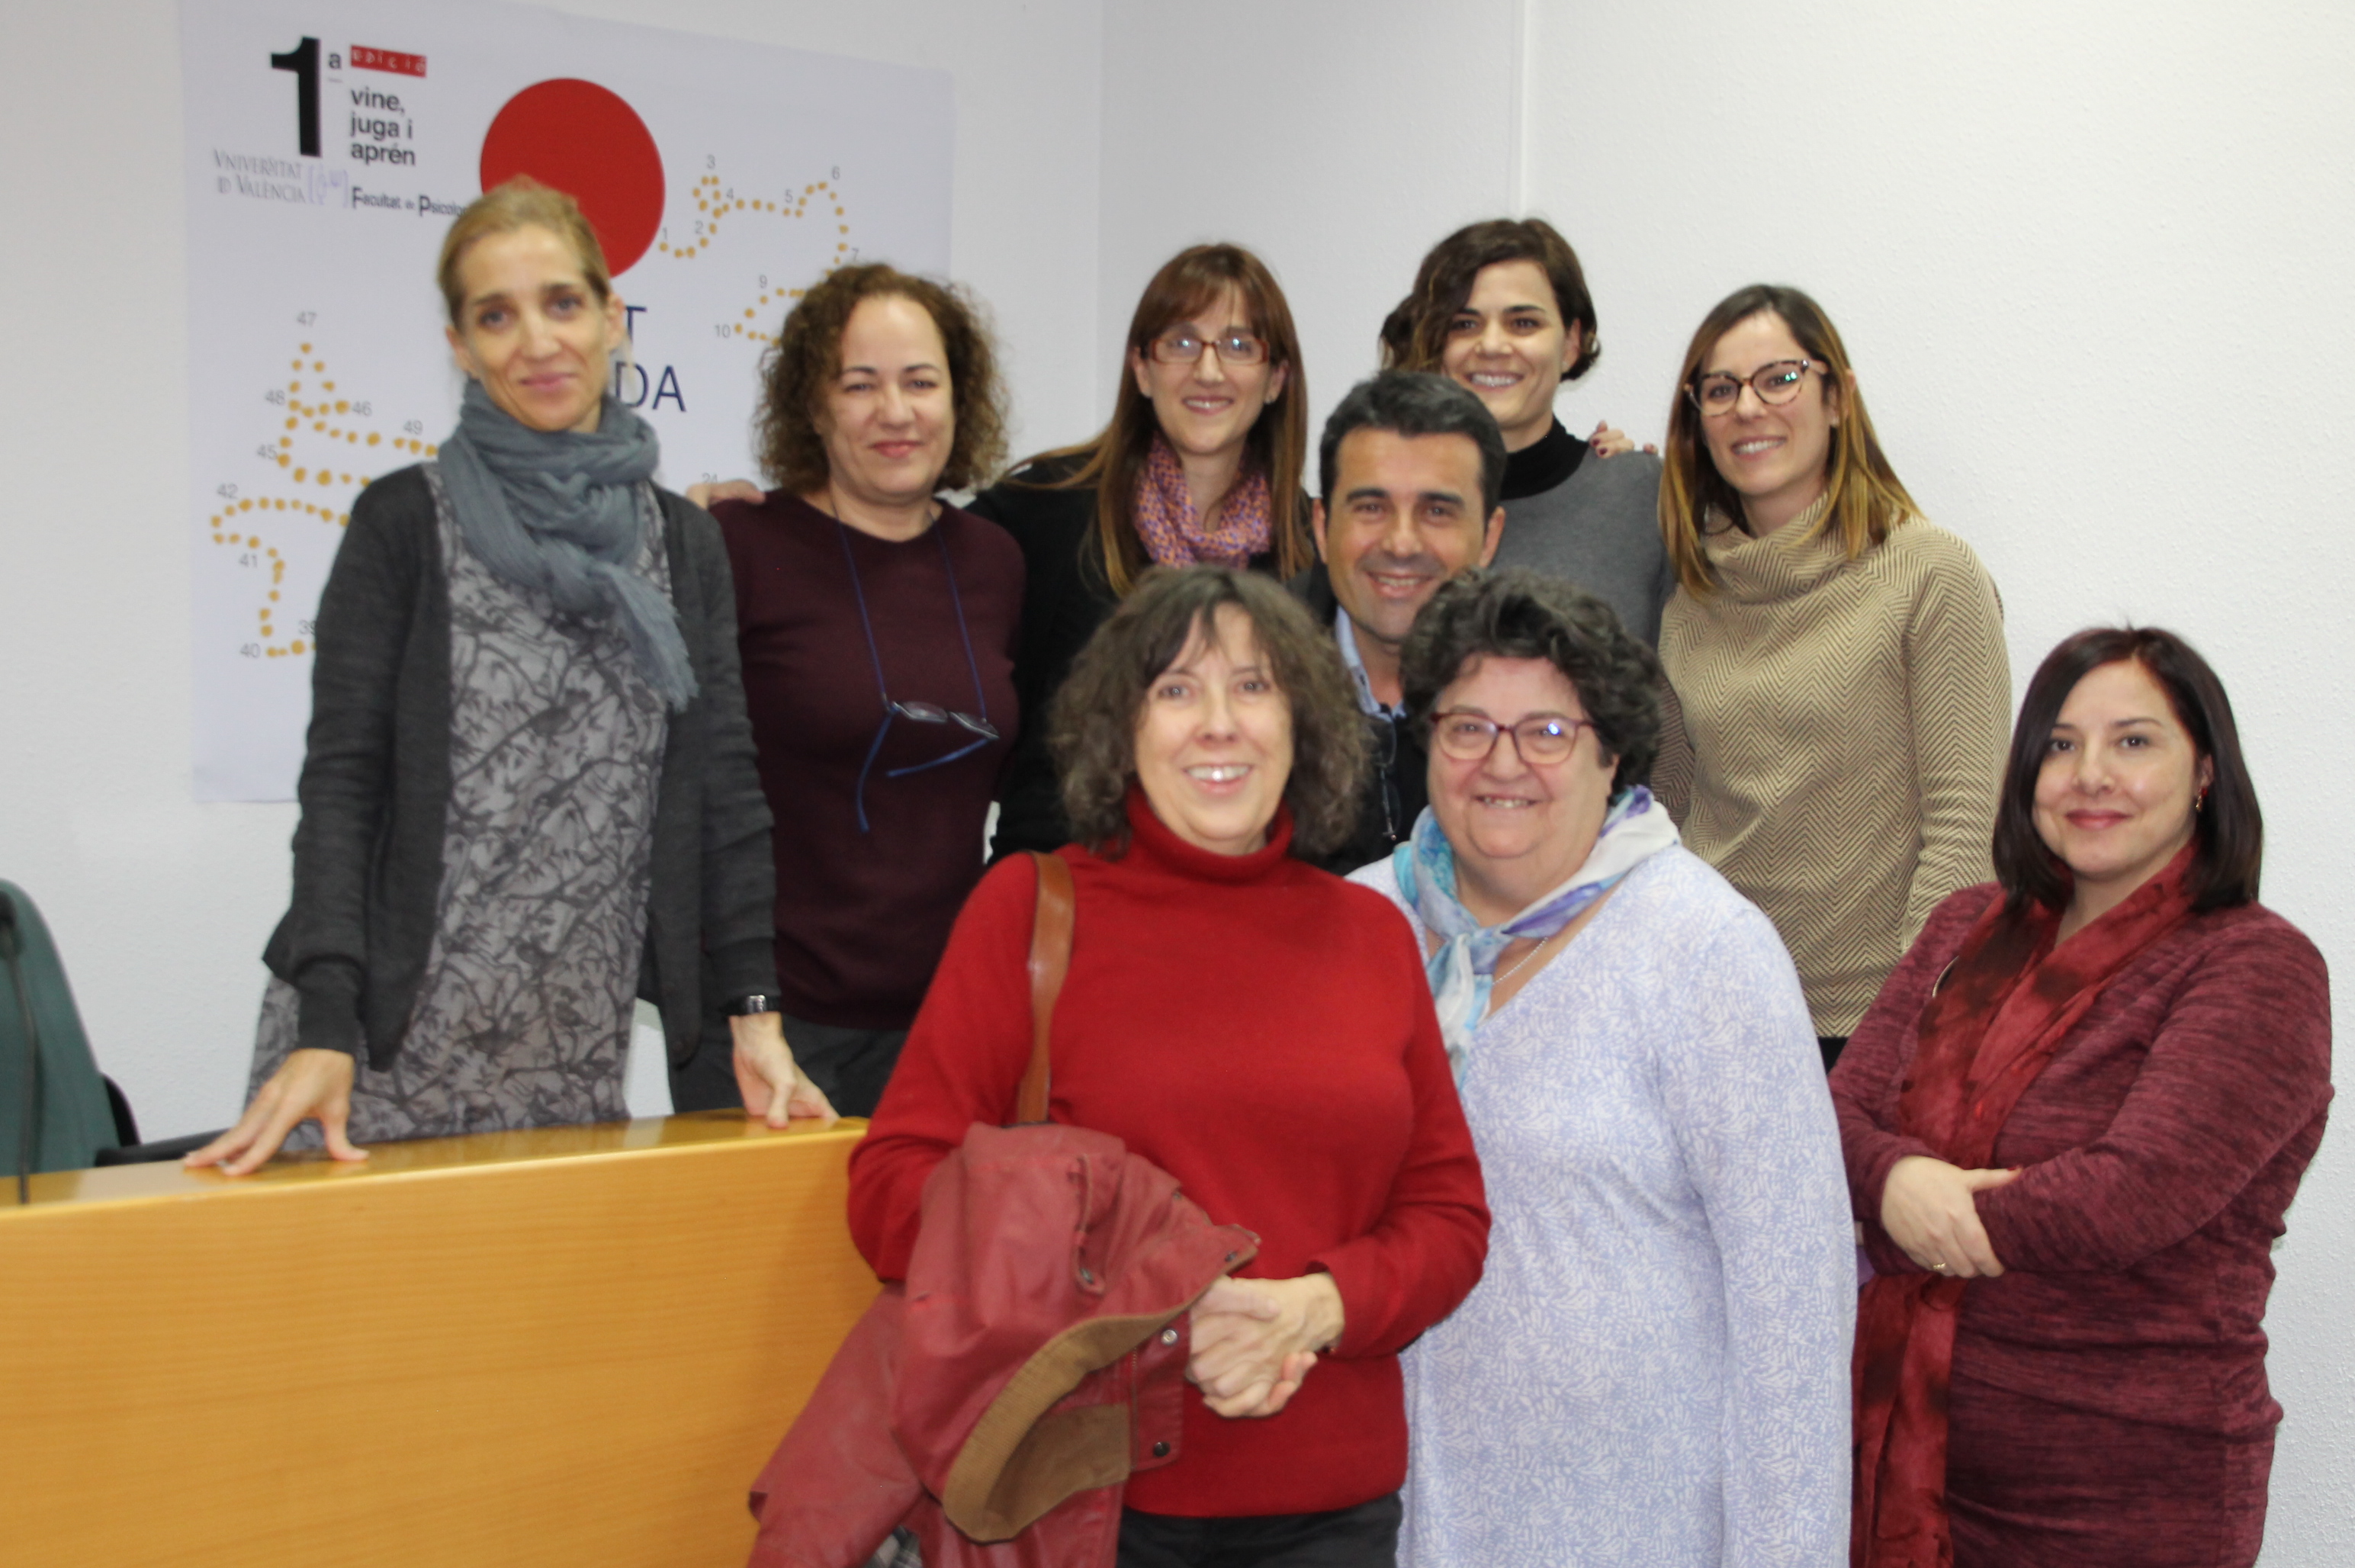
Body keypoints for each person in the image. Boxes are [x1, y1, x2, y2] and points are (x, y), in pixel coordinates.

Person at [189, 179, 832, 1176]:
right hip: (370, 1050)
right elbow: (343, 788)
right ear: (460, 345)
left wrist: (756, 1014)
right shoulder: (404, 523)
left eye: (561, 303)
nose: (537, 341)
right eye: (496, 316)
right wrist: (323, 1024)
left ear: (612, 318)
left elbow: (725, 791)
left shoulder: (683, 544)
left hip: (570, 1047)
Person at [850, 566, 1489, 1567]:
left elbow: (1448, 1216)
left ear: (1303, 720)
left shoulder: (1372, 935)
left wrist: (1316, 1307)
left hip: (1333, 1506)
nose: (1219, 724)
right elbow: (892, 1193)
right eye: (1177, 689)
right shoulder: (1030, 912)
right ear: (1124, 726)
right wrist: (1150, 1306)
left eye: (1253, 685)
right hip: (1084, 1502)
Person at [1352, 567, 1852, 1566]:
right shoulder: (1359, 927)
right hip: (1382, 1523)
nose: (1503, 763)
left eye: (1546, 731)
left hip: (1634, 1526)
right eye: (1468, 727)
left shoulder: (1707, 951)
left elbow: (1793, 1322)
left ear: (1611, 752)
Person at [1832, 626, 2331, 1568]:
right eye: (2060, 745)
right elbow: (1834, 1115)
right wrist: (1896, 1178)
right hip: (1892, 1456)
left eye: (2133, 741)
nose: (2089, 774)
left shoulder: (2255, 966)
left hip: (2127, 1496)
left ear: (2205, 774)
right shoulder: (1962, 925)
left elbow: (2123, 1199)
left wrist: (1886, 1220)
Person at [692, 264, 1023, 1118]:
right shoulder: (737, 545)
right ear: (814, 406)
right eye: (859, 384)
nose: (896, 411)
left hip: (942, 1025)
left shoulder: (996, 562)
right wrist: (751, 1010)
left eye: (921, 381)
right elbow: (696, 793)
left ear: (959, 397)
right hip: (767, 1025)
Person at [1653, 284, 2011, 1069]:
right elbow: (1668, 815)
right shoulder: (1689, 601)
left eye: (1779, 378)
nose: (1749, 407)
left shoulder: (1930, 574)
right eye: (1721, 389)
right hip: (1708, 1008)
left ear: (1838, 398)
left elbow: (1966, 829)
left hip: (1867, 1025)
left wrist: (1907, 1025)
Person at [967, 243, 1316, 859]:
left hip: (1233, 890)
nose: (1208, 370)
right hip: (1065, 887)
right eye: (1181, 343)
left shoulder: (1309, 548)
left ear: (1276, 380)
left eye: (1239, 345)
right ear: (1142, 369)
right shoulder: (1047, 508)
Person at [1380, 217, 1672, 644]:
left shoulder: (1640, 496)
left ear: (1571, 343)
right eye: (1464, 324)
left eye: (1523, 323)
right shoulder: (1388, 506)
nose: (1492, 346)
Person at [1291, 371, 1503, 875]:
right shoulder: (1243, 682)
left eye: (1437, 511)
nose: (1402, 544)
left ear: (1490, 537)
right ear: (1321, 527)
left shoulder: (1548, 699)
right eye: (1371, 507)